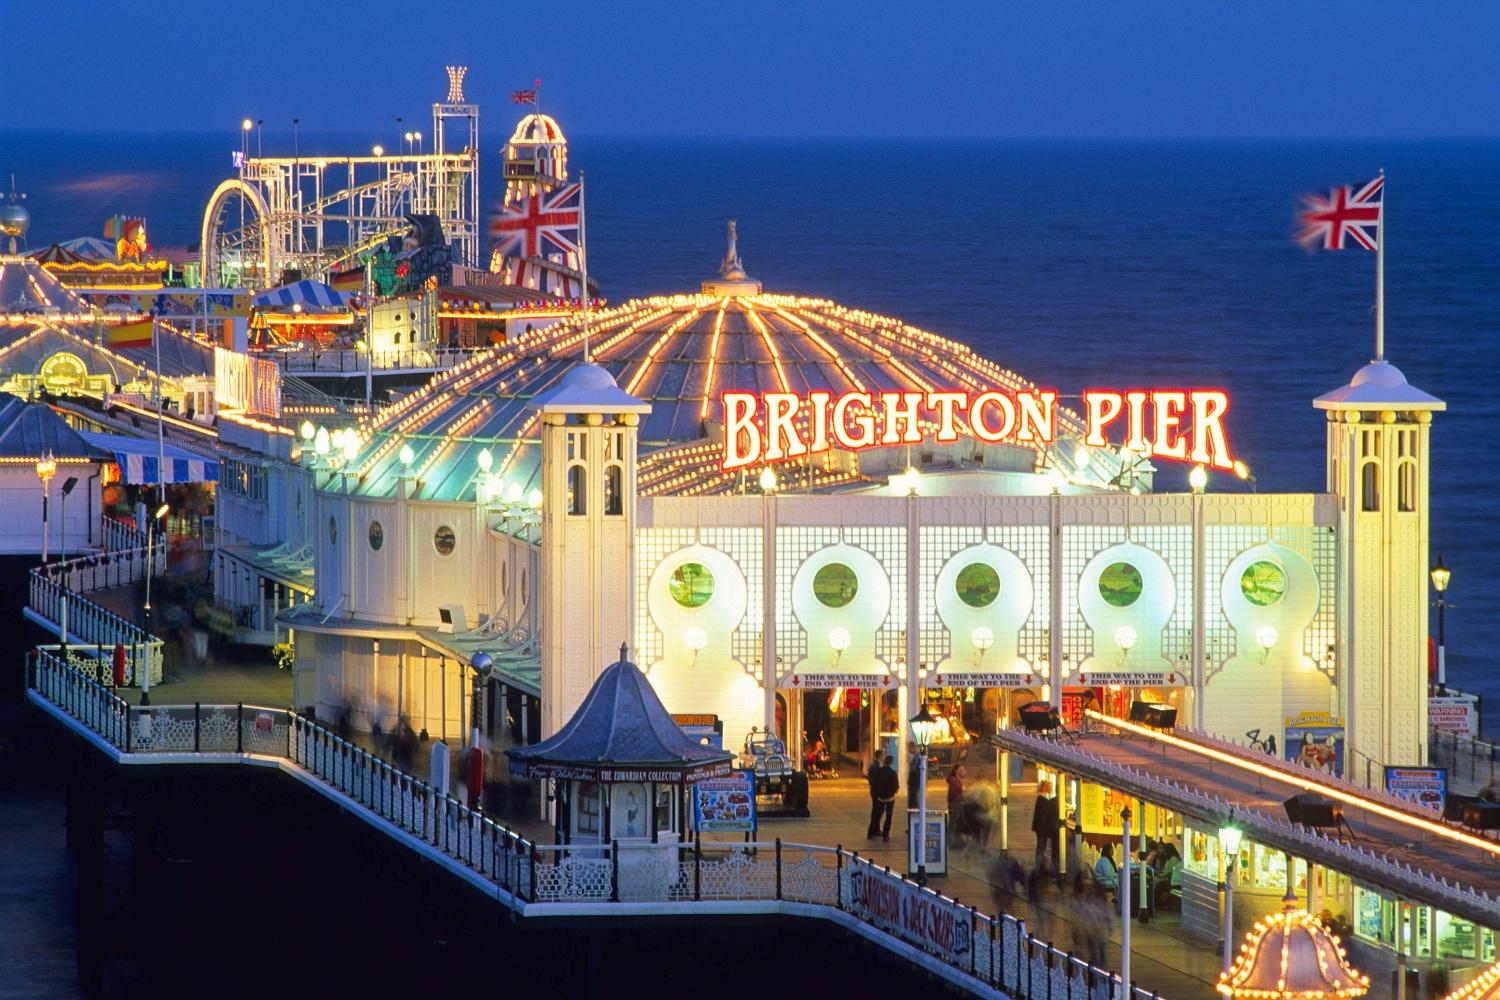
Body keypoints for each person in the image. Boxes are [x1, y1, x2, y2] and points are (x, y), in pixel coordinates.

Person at [868, 752, 899, 840]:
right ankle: (885, 835)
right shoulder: (892, 773)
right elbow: (895, 785)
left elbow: (874, 782)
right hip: (890, 798)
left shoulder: (879, 771)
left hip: (880, 797)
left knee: (877, 814)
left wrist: (878, 793)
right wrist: (893, 792)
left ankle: (870, 832)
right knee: (888, 816)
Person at [1031, 780, 1060, 875]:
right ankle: (1039, 867)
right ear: (1043, 787)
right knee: (1041, 847)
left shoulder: (1042, 799)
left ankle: (1040, 866)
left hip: (1042, 828)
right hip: (1042, 829)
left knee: (1041, 847)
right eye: (1048, 786)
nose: (1050, 788)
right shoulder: (1042, 799)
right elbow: (1043, 814)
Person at [947, 765, 967, 844]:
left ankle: (958, 841)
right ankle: (951, 841)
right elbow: (956, 792)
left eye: (964, 769)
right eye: (961, 770)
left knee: (960, 822)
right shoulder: (953, 780)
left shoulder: (957, 780)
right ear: (956, 771)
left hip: (958, 804)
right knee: (953, 824)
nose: (963, 771)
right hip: (954, 804)